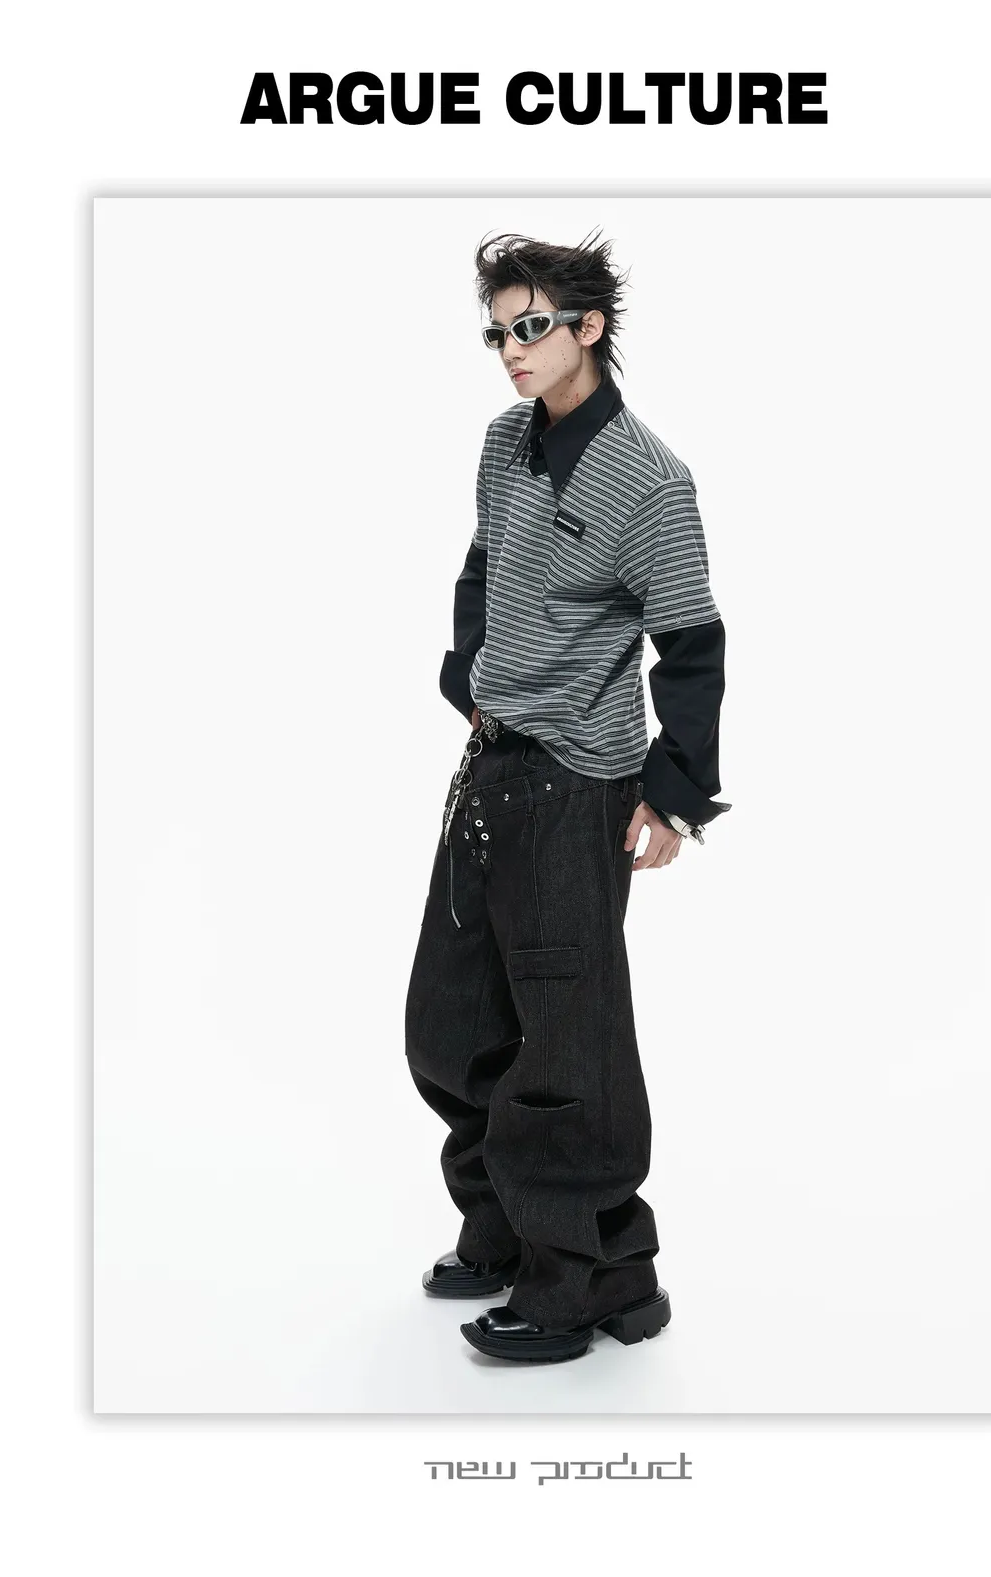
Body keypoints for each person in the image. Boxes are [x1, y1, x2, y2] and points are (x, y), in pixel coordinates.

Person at [403, 228, 731, 1364]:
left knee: (567, 1047)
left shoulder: (651, 481)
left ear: (588, 328)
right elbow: (483, 567)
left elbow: (692, 644)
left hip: (577, 784)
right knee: (449, 1024)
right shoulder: (505, 443)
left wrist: (673, 796)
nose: (511, 348)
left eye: (531, 326)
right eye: (498, 330)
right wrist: (471, 677)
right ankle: (505, 1226)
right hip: (491, 770)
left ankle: (595, 1277)